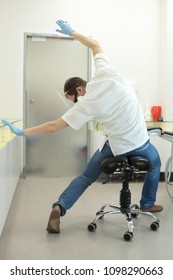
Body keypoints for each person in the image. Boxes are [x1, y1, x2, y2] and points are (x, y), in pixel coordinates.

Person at [2, 20, 163, 234]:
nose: (74, 104)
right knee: (155, 162)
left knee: (86, 177)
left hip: (114, 148)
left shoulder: (85, 105)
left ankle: (60, 207)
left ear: (79, 90)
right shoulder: (105, 73)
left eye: (73, 99)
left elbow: (53, 126)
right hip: (141, 144)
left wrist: (23, 132)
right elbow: (95, 45)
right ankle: (147, 203)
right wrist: (73, 33)